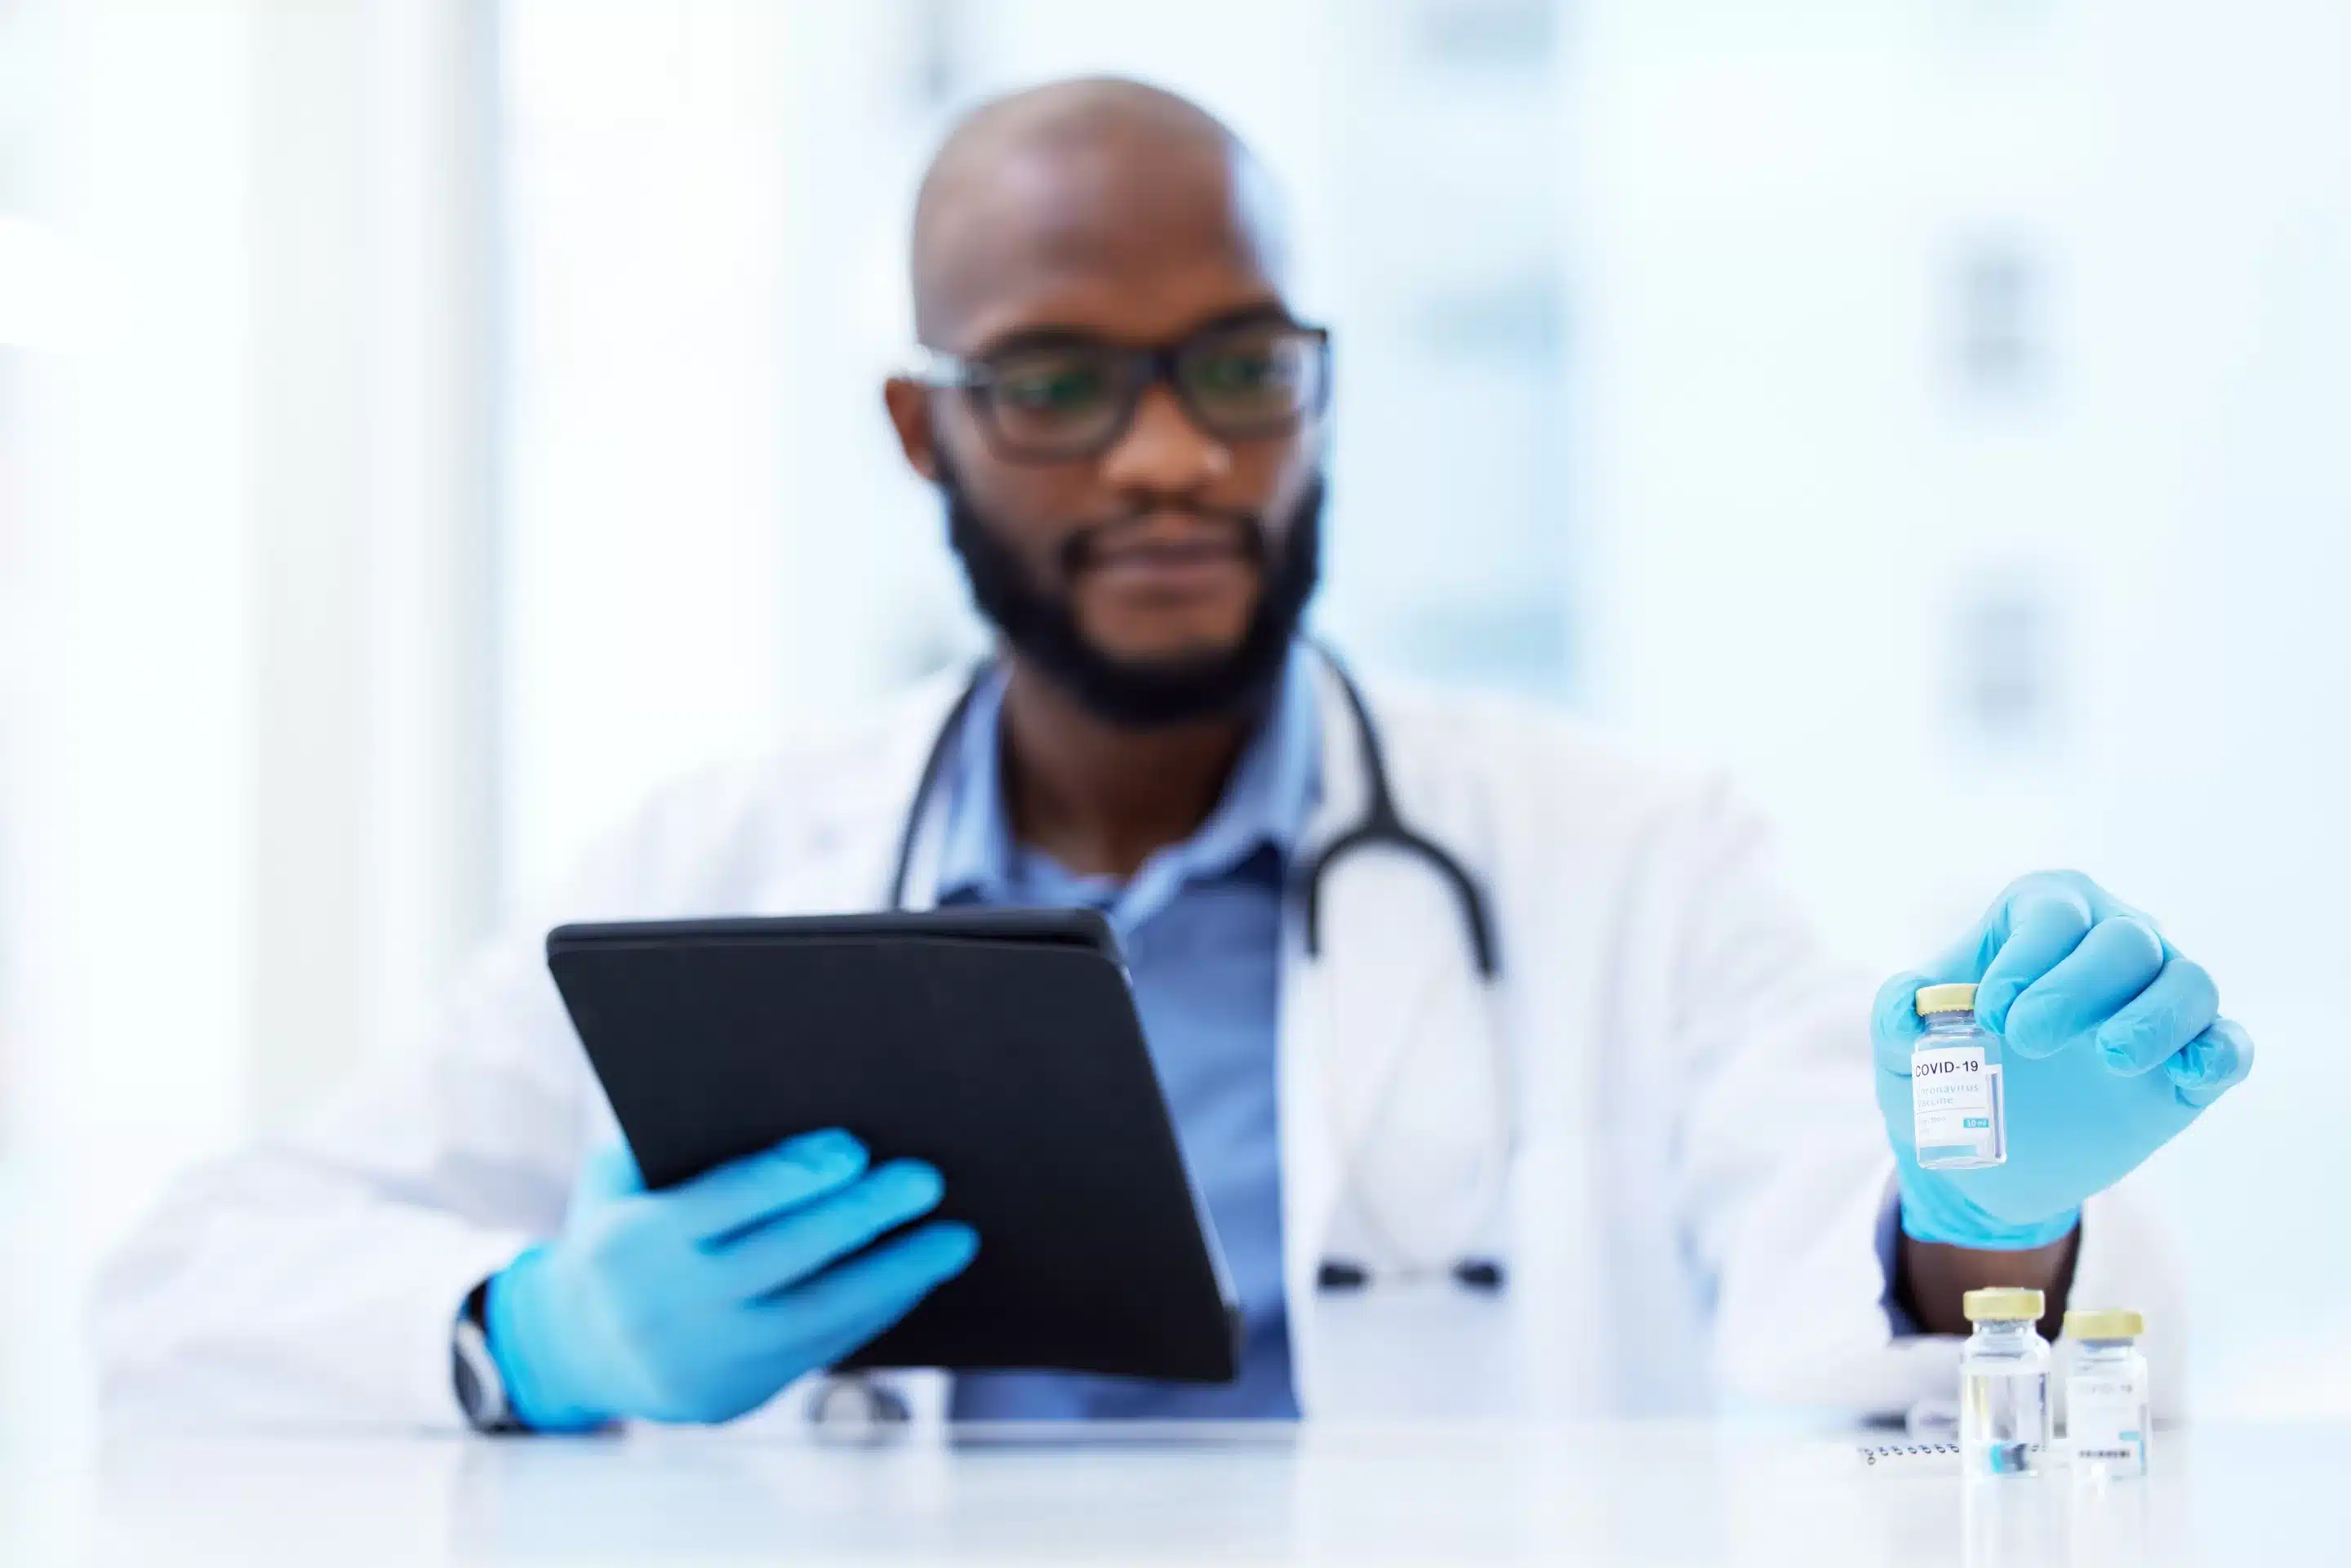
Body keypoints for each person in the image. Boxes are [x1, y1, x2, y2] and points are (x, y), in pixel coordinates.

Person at [94, 78, 2250, 1432]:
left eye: (1238, 368)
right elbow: (182, 1296)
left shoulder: (1626, 857)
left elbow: (1847, 1264)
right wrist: (537, 1332)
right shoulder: (714, 856)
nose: (1168, 457)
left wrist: (1984, 1213)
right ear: (922, 431)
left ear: (1316, 390)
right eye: (1056, 384)